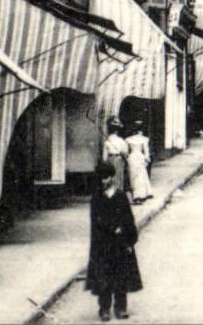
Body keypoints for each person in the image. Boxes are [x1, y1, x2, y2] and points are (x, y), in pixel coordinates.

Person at [85, 161, 142, 322]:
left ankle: (121, 307)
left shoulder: (121, 196)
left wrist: (129, 239)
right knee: (104, 276)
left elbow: (128, 218)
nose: (104, 181)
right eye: (101, 178)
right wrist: (111, 229)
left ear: (112, 177)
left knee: (121, 276)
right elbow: (96, 221)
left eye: (107, 178)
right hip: (103, 243)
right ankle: (104, 309)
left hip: (120, 242)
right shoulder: (96, 198)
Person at [124, 120, 152, 205]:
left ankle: (135, 196)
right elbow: (146, 151)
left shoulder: (128, 139)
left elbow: (126, 152)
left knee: (133, 176)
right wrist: (147, 159)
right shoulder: (144, 139)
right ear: (141, 130)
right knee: (140, 176)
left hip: (132, 157)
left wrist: (127, 159)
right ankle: (140, 195)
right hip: (140, 157)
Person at [102, 118, 129, 195]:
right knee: (119, 178)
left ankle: (110, 194)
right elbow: (126, 153)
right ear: (117, 131)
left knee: (110, 178)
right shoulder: (121, 141)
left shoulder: (107, 142)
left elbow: (104, 157)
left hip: (110, 159)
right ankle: (119, 194)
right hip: (119, 160)